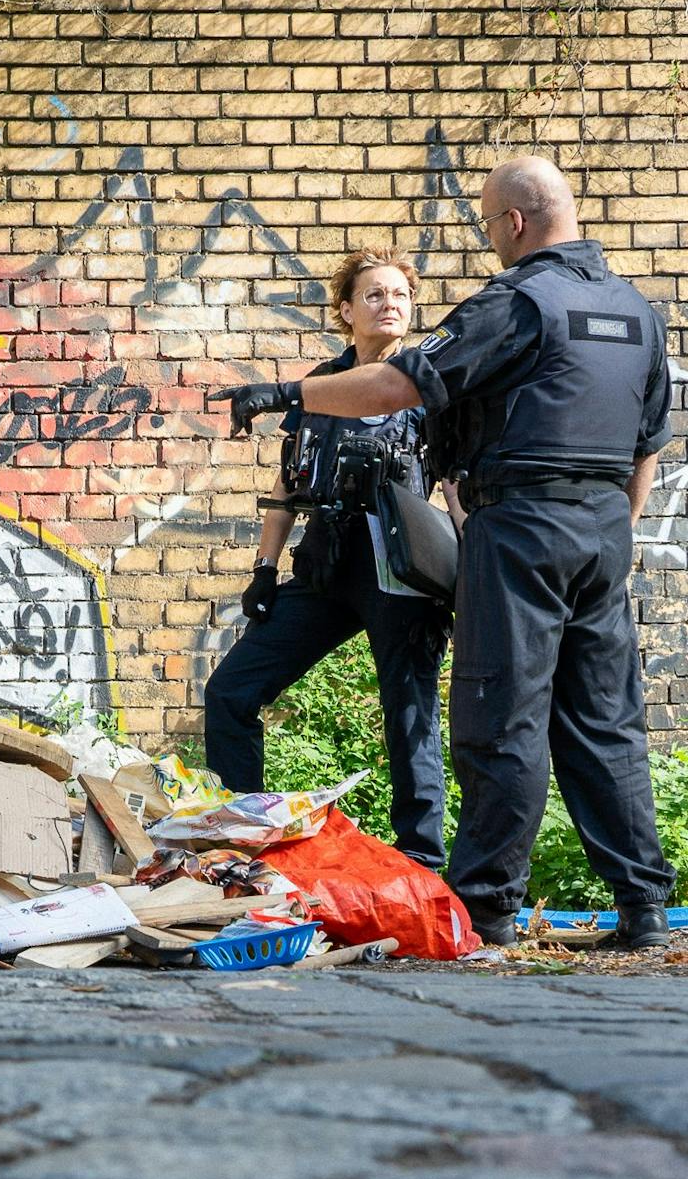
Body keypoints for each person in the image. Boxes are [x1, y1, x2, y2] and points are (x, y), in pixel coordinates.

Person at [215, 156, 677, 949]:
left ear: (515, 223)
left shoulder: (518, 303)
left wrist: (287, 394)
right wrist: (613, 530)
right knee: (607, 721)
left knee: (500, 714)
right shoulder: (635, 312)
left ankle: (485, 906)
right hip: (602, 530)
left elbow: (401, 385)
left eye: (491, 225)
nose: (492, 240)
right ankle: (643, 908)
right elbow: (648, 446)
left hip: (522, 523)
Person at [204, 248, 451, 869]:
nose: (389, 303)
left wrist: (470, 571)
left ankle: (421, 861)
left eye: (399, 294)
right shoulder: (322, 384)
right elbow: (289, 482)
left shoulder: (427, 385)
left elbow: (454, 484)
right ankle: (244, 844)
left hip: (401, 565)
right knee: (231, 692)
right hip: (325, 562)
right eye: (374, 294)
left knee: (409, 709)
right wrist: (264, 568)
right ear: (345, 310)